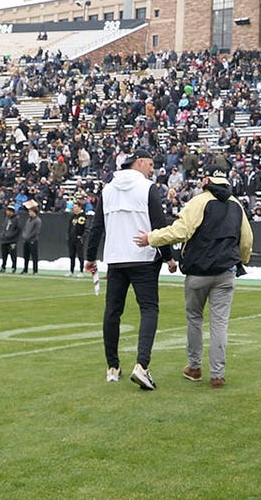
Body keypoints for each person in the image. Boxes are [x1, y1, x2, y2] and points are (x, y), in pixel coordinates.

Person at [133, 163, 253, 389]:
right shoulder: (236, 205)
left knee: (194, 319)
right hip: (225, 272)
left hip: (198, 272)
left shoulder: (199, 202)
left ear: (206, 181)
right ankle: (217, 374)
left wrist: (151, 238)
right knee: (219, 324)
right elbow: (246, 240)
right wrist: (241, 260)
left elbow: (180, 232)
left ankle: (194, 367)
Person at [85, 148, 177, 391]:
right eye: (150, 164)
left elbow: (96, 228)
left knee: (112, 312)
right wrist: (168, 257)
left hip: (116, 258)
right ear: (141, 162)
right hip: (144, 259)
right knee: (149, 309)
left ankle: (112, 367)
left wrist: (89, 257)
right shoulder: (147, 189)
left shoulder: (108, 189)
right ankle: (142, 365)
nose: (152, 169)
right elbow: (159, 227)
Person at [66, 202, 88, 275]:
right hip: (72, 239)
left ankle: (81, 271)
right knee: (72, 255)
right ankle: (71, 271)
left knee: (80, 255)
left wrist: (82, 237)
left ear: (79, 207)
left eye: (75, 207)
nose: (73, 208)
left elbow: (85, 228)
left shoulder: (83, 216)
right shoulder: (73, 216)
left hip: (78, 239)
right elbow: (70, 227)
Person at [0, 206, 20, 273]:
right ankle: (3, 267)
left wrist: (11, 235)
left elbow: (18, 230)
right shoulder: (6, 218)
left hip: (12, 240)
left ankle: (14, 267)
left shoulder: (16, 219)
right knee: (4, 255)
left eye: (8, 211)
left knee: (13, 255)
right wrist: (2, 234)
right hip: (5, 240)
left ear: (12, 212)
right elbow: (4, 228)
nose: (7, 212)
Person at [20, 205, 41, 274]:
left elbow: (36, 231)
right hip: (26, 240)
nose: (29, 213)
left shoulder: (37, 220)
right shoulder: (29, 220)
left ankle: (35, 270)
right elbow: (25, 228)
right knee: (26, 256)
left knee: (34, 256)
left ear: (34, 212)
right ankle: (25, 269)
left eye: (30, 211)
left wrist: (29, 236)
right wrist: (24, 235)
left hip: (33, 240)